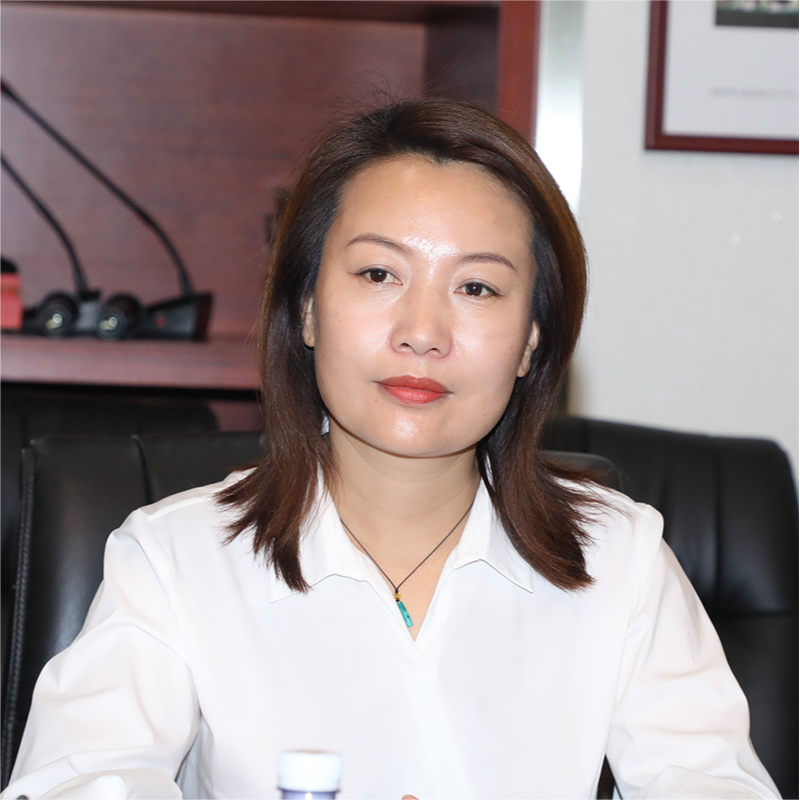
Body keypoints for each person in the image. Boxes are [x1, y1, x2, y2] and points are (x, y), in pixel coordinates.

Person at [2, 99, 780, 800]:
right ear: (308, 309)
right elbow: (81, 781)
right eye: (379, 274)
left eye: (476, 288)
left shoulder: (621, 560)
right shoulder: (177, 559)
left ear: (530, 343)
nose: (423, 332)